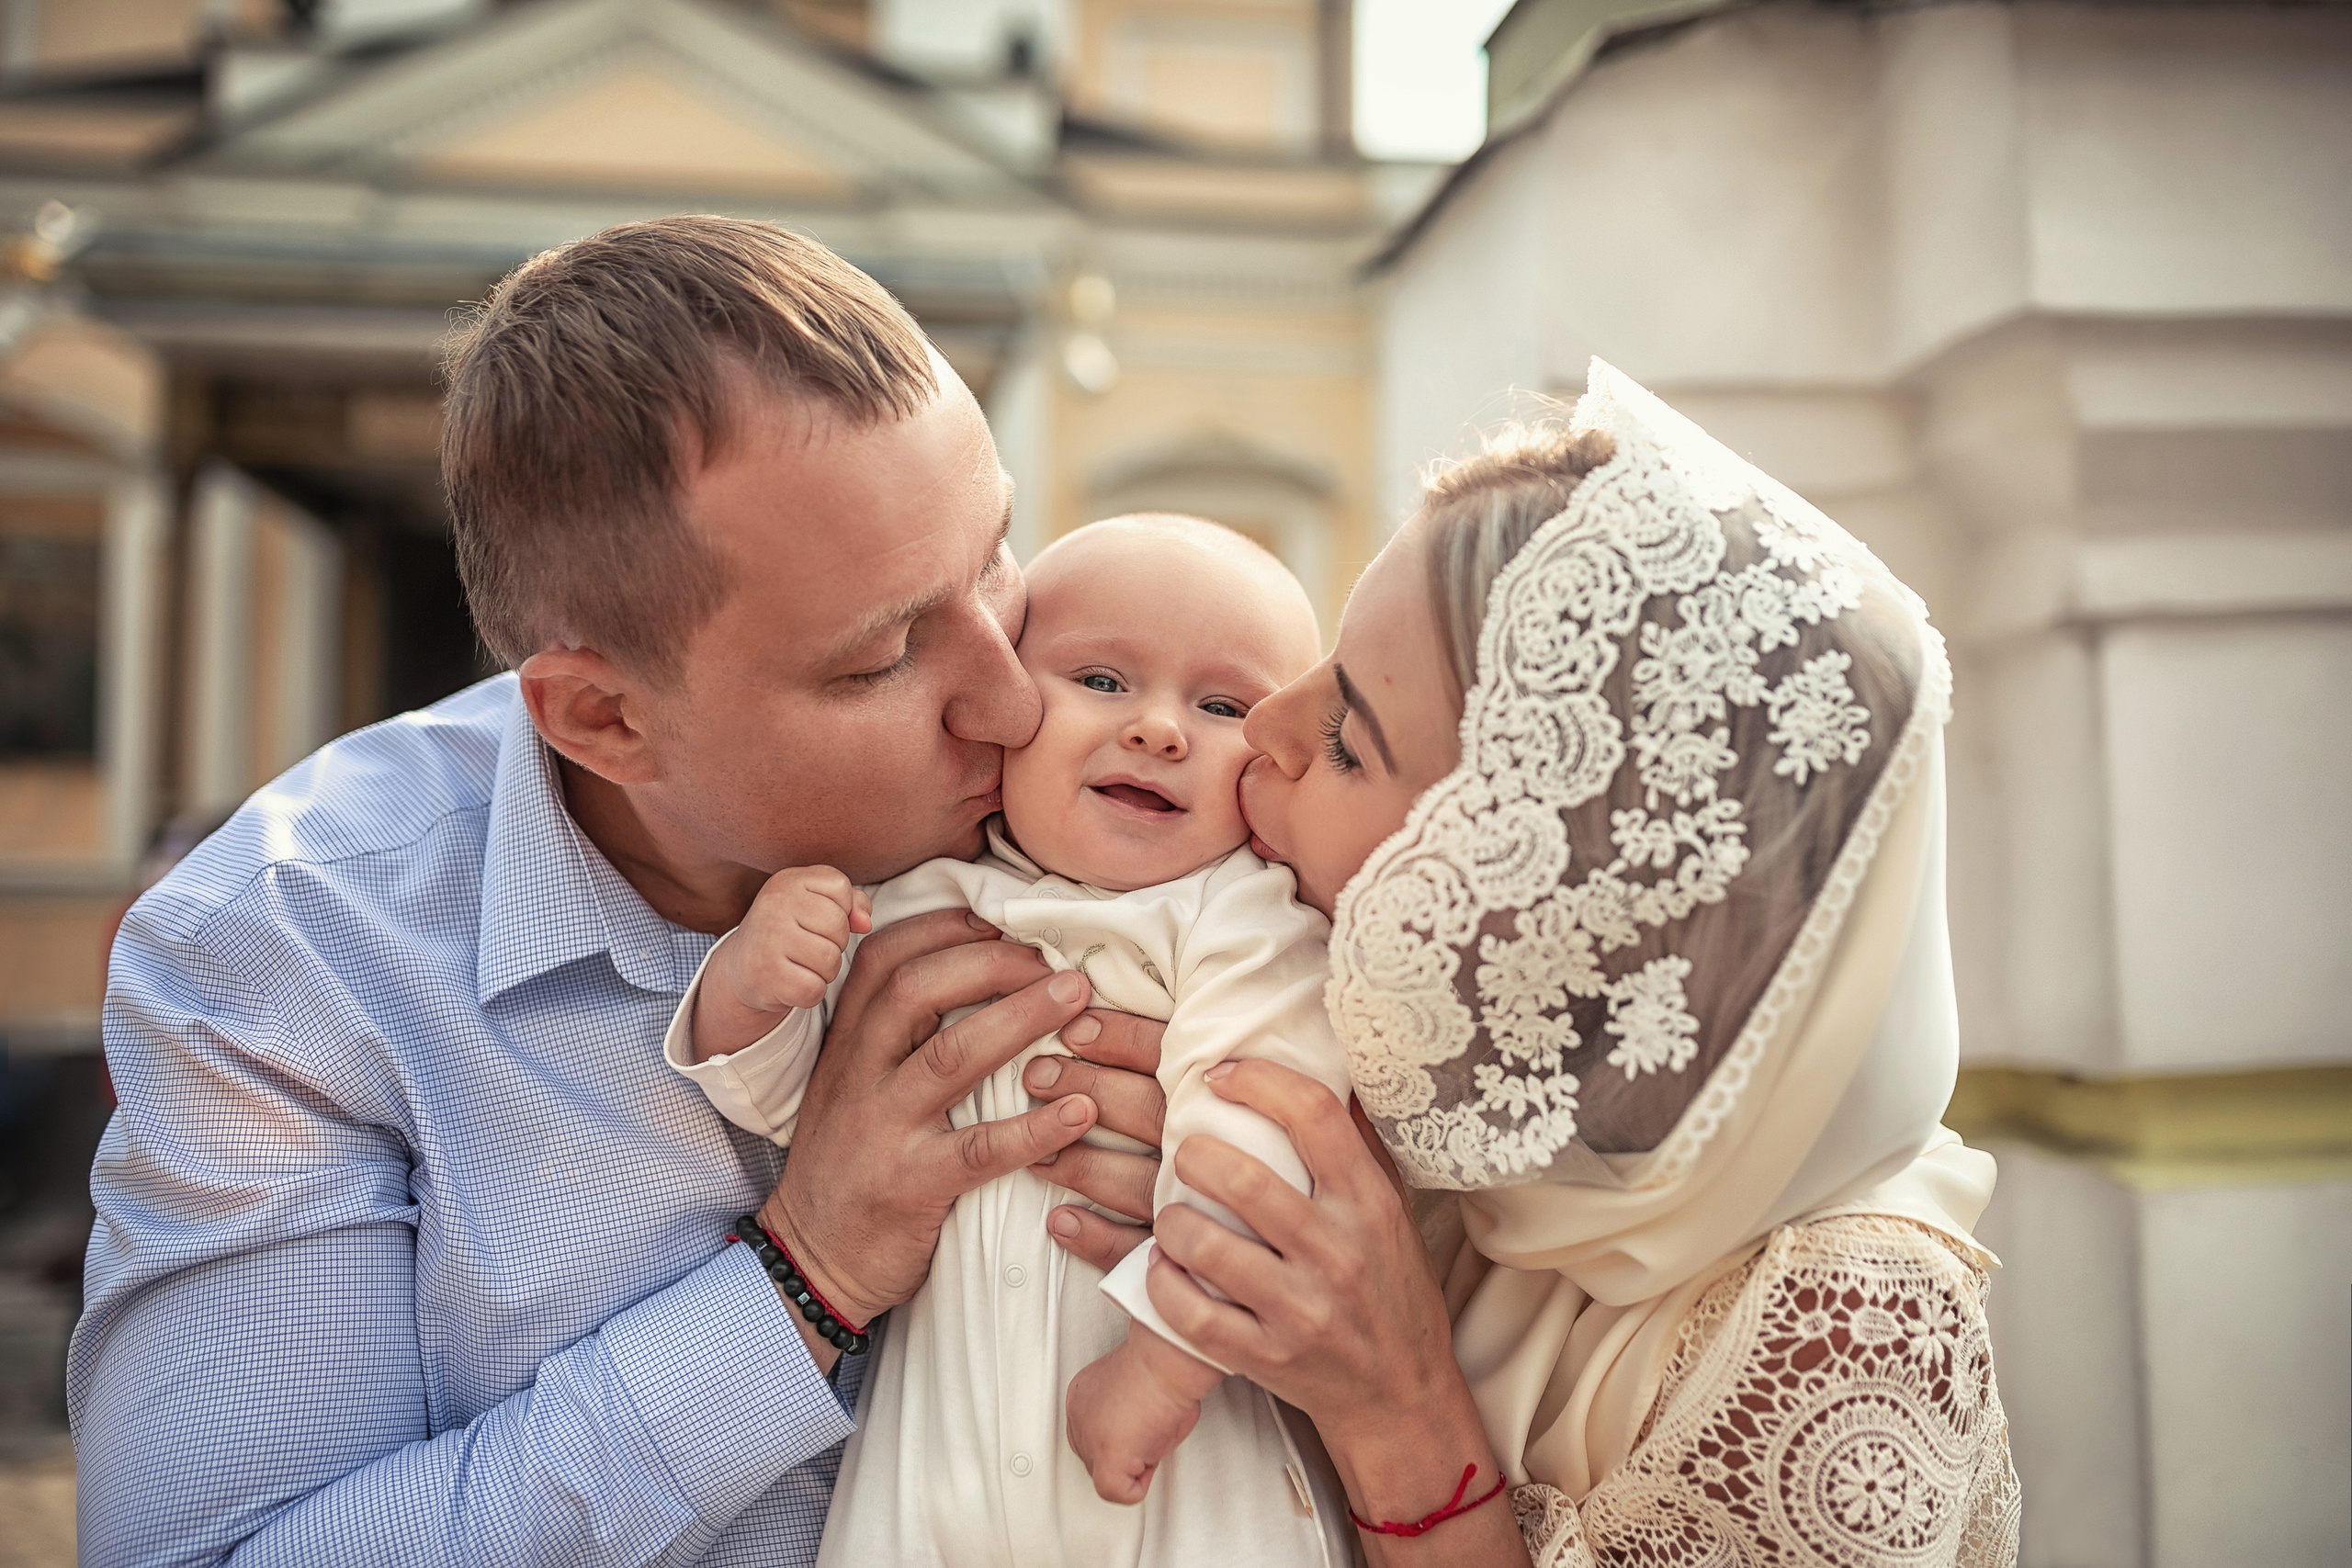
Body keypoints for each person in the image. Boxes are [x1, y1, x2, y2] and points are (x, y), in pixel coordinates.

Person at [67, 216, 1171, 1566]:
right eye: (884, 656)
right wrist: (807, 1275)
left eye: (994, 555)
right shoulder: (289, 953)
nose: (1013, 700)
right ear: (605, 718)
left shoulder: (1144, 809)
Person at [1065, 360, 2019, 1565]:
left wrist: (1394, 1406)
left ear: (1567, 909)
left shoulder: (1846, 1326)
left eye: (1348, 739)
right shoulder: (1417, 1123)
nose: (1263, 727)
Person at [674, 513, 1354, 1565]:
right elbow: (788, 1110)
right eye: (1101, 681)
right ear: (1006, 712)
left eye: (1222, 707)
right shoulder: (915, 897)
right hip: (930, 1461)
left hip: (1181, 1459)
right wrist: (753, 985)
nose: (1159, 730)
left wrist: (1165, 1362)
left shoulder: (1243, 919)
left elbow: (1259, 1140)